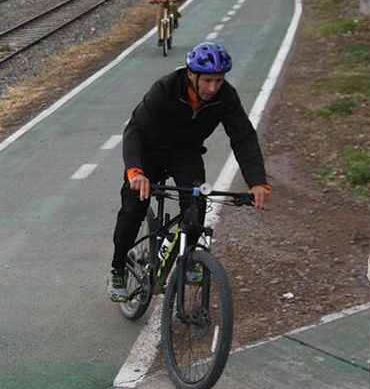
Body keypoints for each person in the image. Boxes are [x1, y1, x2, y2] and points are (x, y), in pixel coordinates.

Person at [107, 42, 271, 302]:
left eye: (219, 81)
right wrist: (135, 171)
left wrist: (257, 182)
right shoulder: (165, 88)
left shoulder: (226, 96)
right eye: (207, 81)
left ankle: (190, 255)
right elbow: (135, 130)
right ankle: (117, 268)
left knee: (196, 207)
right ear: (191, 74)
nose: (213, 88)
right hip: (149, 151)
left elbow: (243, 137)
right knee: (133, 208)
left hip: (186, 152)